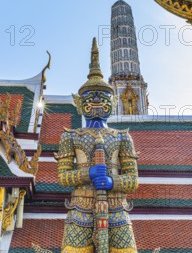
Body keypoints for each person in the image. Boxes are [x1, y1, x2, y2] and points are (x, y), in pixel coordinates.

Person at [56, 38, 138, 253]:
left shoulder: (121, 137)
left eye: (102, 97)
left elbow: (133, 180)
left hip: (116, 207)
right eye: (91, 97)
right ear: (80, 103)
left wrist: (111, 181)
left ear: (112, 102)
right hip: (80, 207)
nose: (97, 101)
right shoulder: (71, 137)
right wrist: (87, 174)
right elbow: (63, 177)